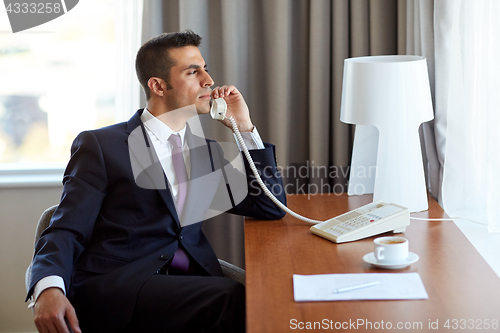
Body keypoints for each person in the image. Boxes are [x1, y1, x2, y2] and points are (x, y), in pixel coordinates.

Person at [26, 31, 286, 333]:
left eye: (205, 68)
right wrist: (47, 288)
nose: (209, 80)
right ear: (158, 85)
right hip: (119, 284)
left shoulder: (207, 152)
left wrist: (244, 127)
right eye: (193, 71)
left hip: (189, 282)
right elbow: (65, 228)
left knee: (267, 298)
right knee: (230, 299)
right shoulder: (102, 145)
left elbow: (269, 205)